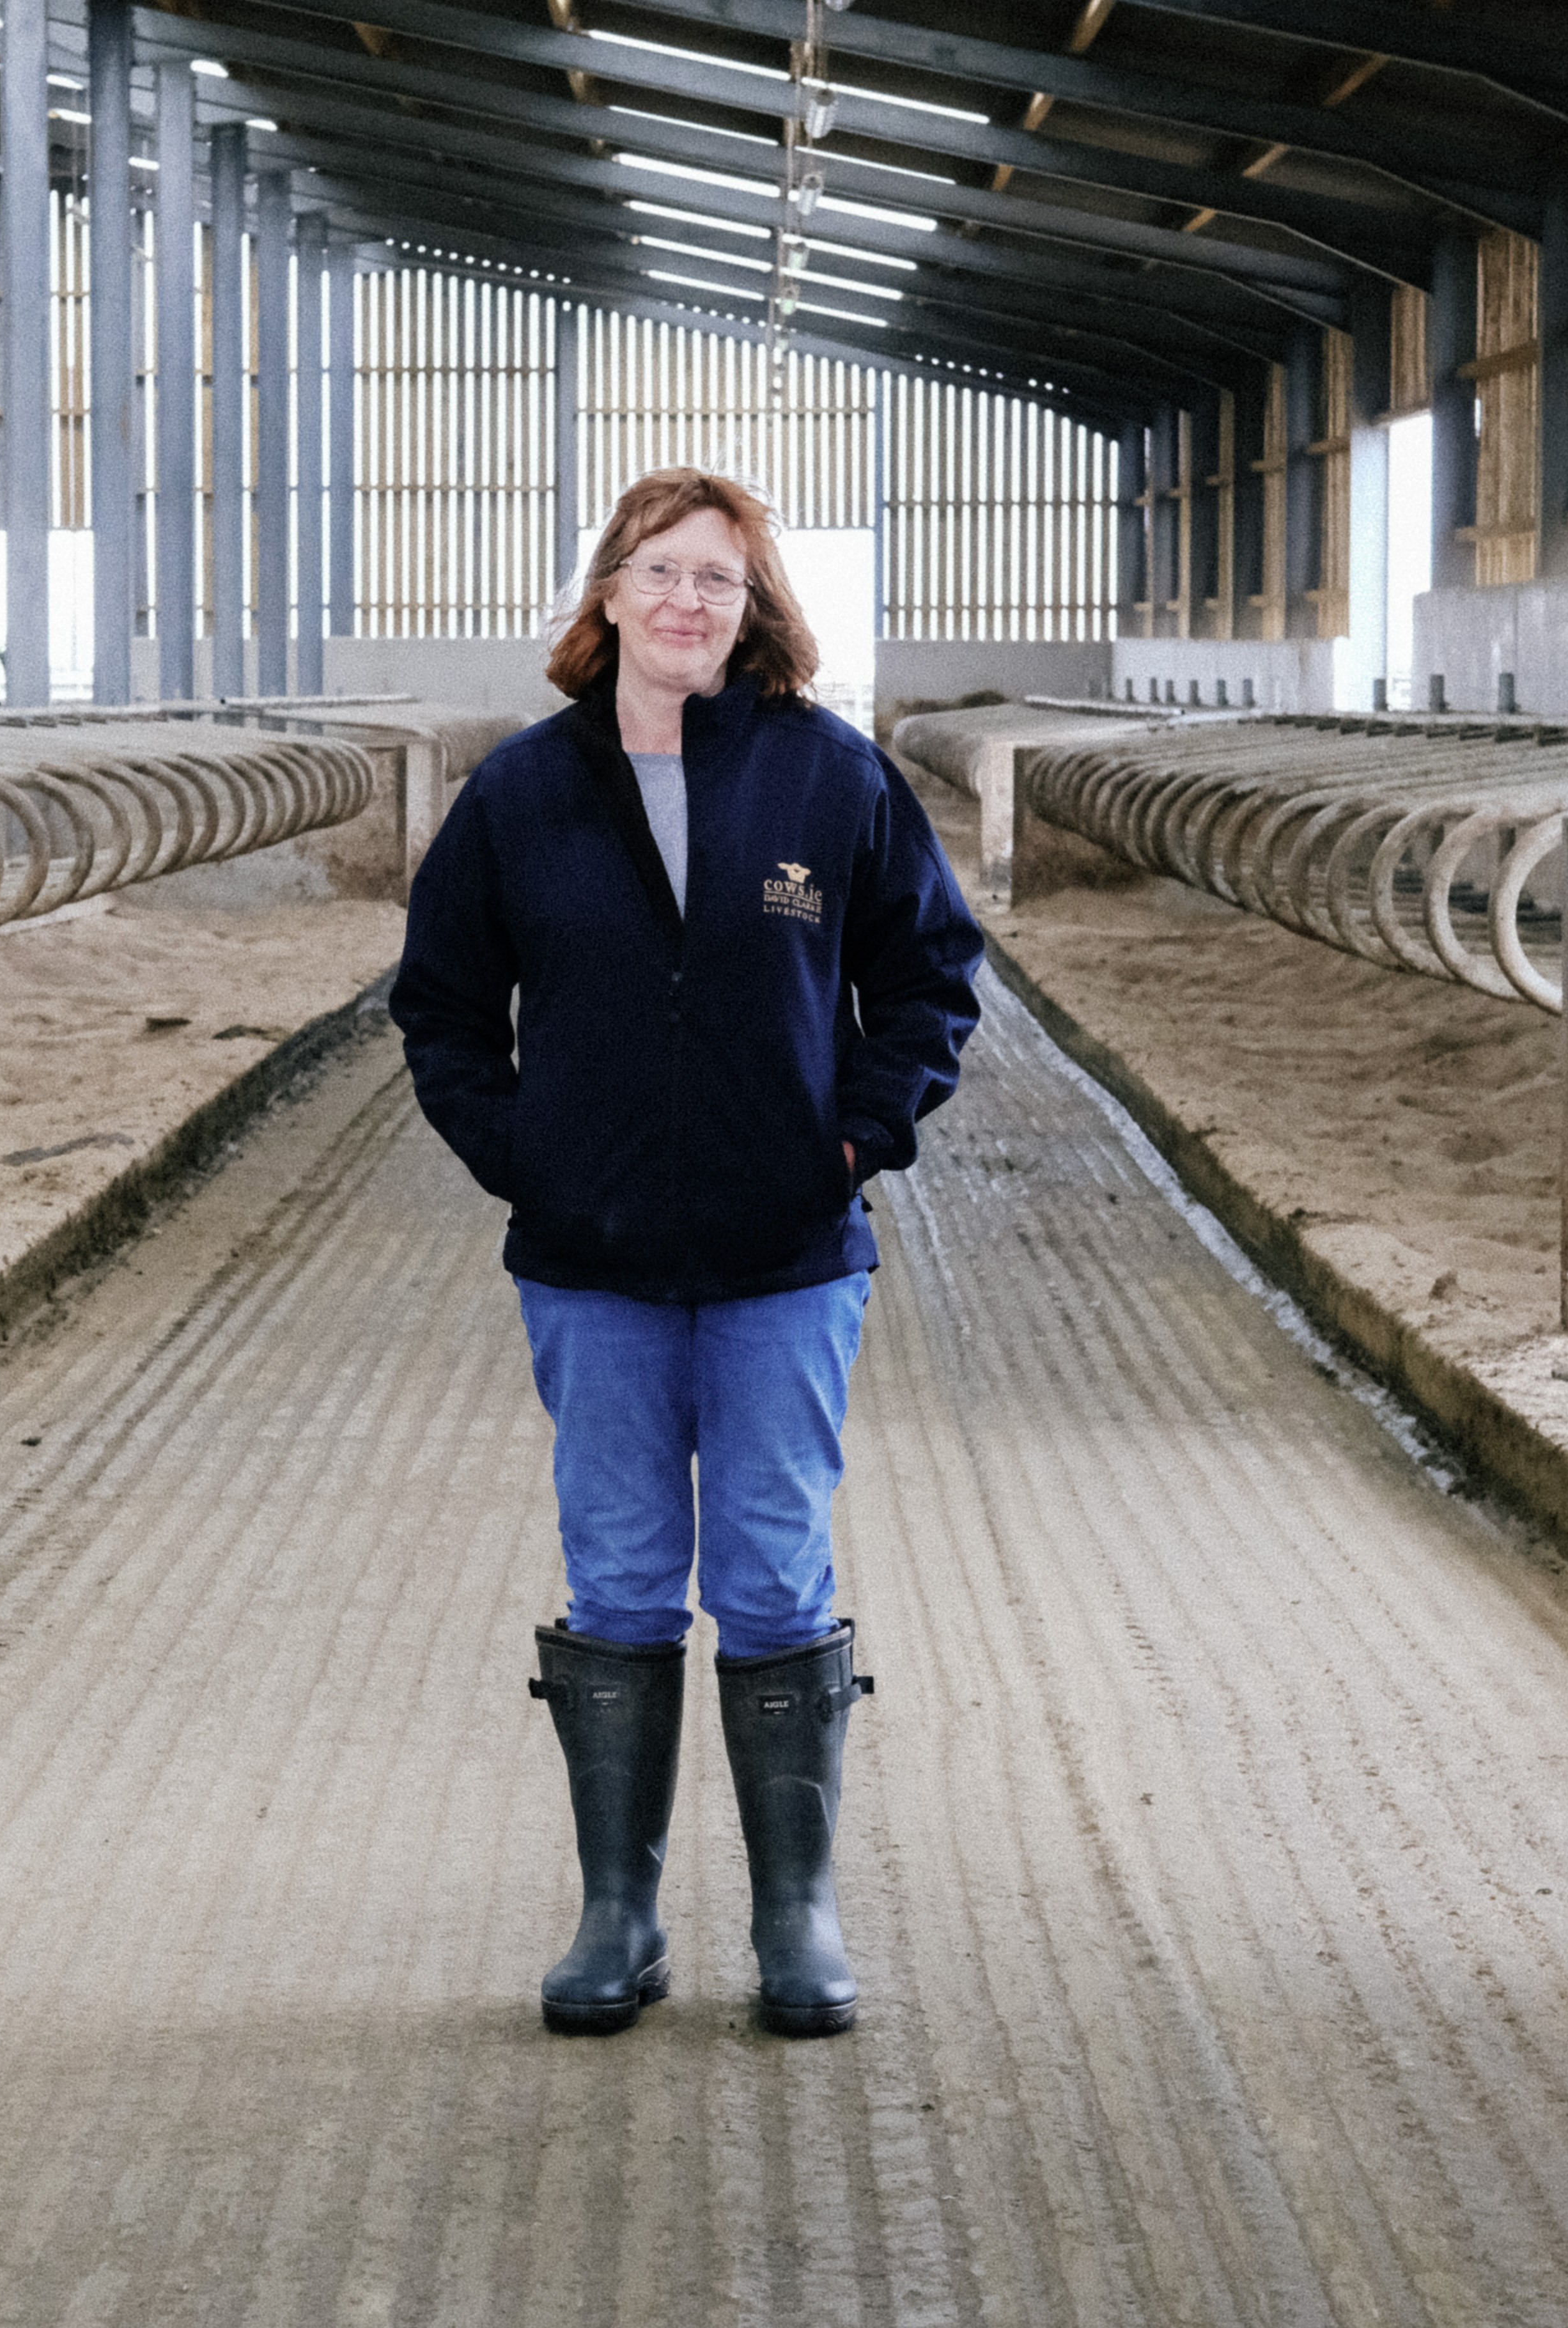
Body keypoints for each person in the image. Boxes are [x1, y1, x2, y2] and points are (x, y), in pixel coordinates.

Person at [389, 468, 984, 2038]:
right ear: (606, 595)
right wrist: (522, 1153)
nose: (685, 603)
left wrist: (857, 1133)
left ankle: (795, 1917)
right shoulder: (523, 791)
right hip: (589, 1259)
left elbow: (930, 975)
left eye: (718, 581)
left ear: (752, 609)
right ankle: (621, 1915)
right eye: (658, 573)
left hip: (787, 1253)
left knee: (776, 1572)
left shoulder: (825, 779)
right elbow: (440, 1005)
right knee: (625, 1576)